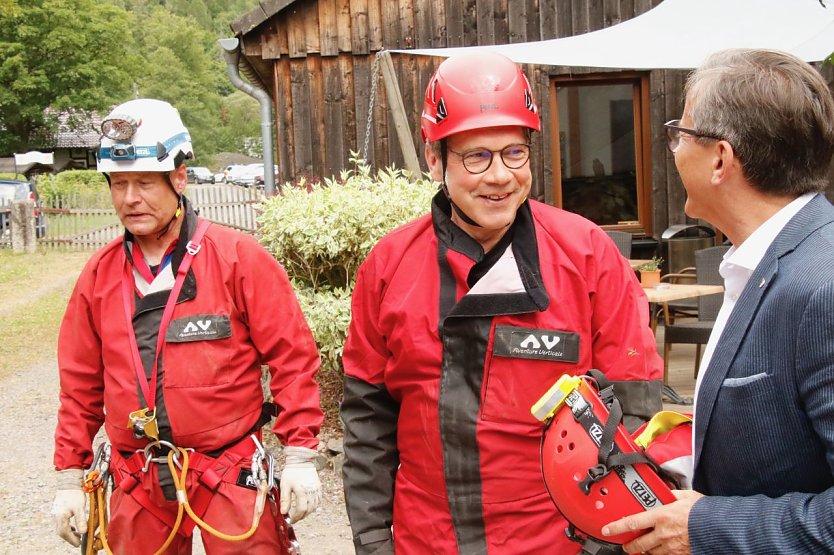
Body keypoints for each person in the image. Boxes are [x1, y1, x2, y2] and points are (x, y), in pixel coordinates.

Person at [341, 51, 664, 555]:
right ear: (434, 159)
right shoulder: (388, 266)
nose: (499, 176)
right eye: (476, 157)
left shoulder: (587, 255)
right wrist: (373, 541)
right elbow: (368, 422)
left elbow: (636, 412)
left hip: (558, 540)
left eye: (515, 153)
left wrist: (606, 543)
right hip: (426, 539)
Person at [51, 98, 324, 554]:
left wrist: (299, 454)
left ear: (178, 178)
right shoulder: (99, 277)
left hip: (229, 474)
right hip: (136, 479)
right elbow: (79, 386)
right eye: (119, 184)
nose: (130, 198)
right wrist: (67, 478)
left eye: (144, 183)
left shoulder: (238, 259)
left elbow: (292, 359)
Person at [602, 48, 834, 554]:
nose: (673, 150)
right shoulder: (759, 262)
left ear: (721, 159)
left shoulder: (824, 288)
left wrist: (706, 525)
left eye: (679, 135)